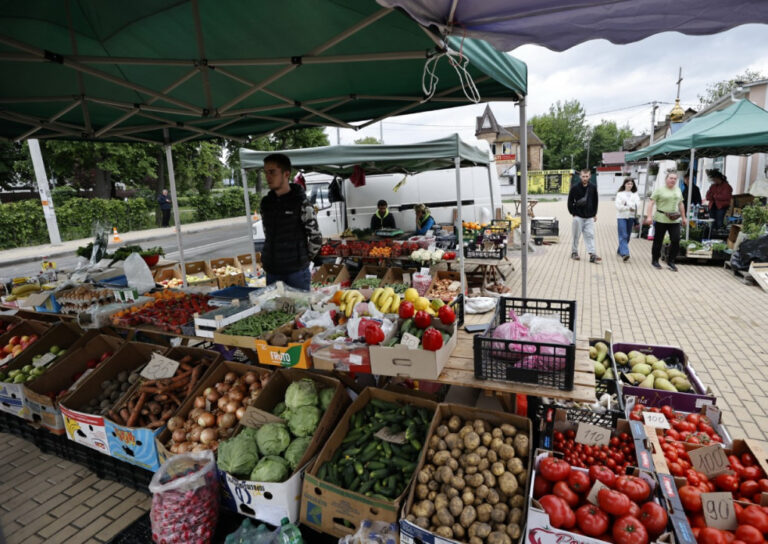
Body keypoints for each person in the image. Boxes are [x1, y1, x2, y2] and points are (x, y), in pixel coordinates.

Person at [259, 153, 322, 291]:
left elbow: (316, 238)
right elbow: (267, 234)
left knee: (300, 312)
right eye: (266, 172)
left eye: (272, 172)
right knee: (275, 311)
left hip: (296, 274)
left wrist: (303, 260)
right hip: (272, 272)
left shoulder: (302, 203)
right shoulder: (265, 204)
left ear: (286, 174)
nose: (268, 177)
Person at [646, 170, 687, 272]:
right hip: (661, 218)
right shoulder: (659, 190)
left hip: (674, 220)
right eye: (671, 178)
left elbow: (681, 204)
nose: (673, 180)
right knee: (658, 241)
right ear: (666, 179)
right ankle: (655, 260)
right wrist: (649, 216)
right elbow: (651, 203)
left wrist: (684, 217)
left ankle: (671, 261)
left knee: (676, 239)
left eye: (675, 179)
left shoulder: (678, 190)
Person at [567, 169, 601, 263]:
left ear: (589, 176)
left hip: (589, 216)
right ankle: (574, 252)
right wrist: (573, 213)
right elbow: (570, 201)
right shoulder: (574, 187)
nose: (585, 178)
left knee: (590, 235)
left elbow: (595, 201)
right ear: (580, 176)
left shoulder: (593, 187)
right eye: (583, 176)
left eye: (587, 176)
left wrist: (594, 214)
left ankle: (592, 254)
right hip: (578, 216)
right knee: (576, 235)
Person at [615, 177, 640, 261]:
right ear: (624, 184)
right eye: (628, 183)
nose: (630, 185)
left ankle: (620, 250)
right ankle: (625, 253)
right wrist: (629, 207)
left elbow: (637, 206)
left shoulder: (635, 194)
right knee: (623, 235)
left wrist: (626, 204)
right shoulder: (620, 194)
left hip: (631, 217)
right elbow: (618, 206)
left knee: (628, 236)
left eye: (631, 184)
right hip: (621, 217)